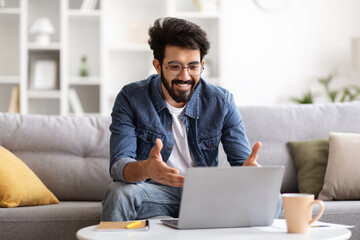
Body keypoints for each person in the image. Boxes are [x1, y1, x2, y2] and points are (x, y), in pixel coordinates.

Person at [102, 17, 282, 221]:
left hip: (208, 196)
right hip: (155, 194)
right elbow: (119, 166)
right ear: (158, 66)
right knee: (119, 193)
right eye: (175, 66)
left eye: (193, 67)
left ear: (202, 65)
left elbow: (242, 162)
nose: (185, 76)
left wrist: (250, 176)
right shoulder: (131, 98)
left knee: (273, 197)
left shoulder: (221, 101)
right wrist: (146, 168)